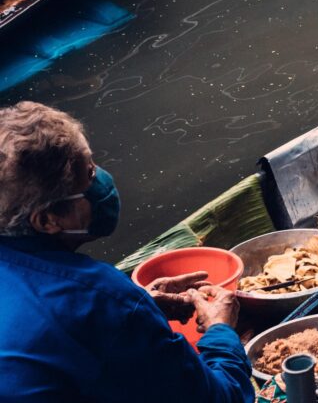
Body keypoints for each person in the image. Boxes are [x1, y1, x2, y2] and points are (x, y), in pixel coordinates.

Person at [0, 101, 252, 403]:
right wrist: (221, 330)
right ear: (47, 219)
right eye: (90, 176)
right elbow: (224, 399)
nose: (103, 182)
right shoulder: (100, 299)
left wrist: (143, 305)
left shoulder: (100, 299)